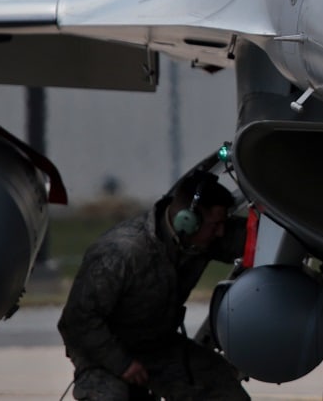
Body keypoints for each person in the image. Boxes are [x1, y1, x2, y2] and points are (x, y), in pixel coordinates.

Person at [59, 170, 249, 401]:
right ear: (188, 221)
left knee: (222, 390)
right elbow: (78, 321)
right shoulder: (121, 253)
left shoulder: (199, 239)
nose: (221, 232)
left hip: (159, 346)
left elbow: (249, 239)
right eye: (216, 224)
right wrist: (122, 364)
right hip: (105, 351)